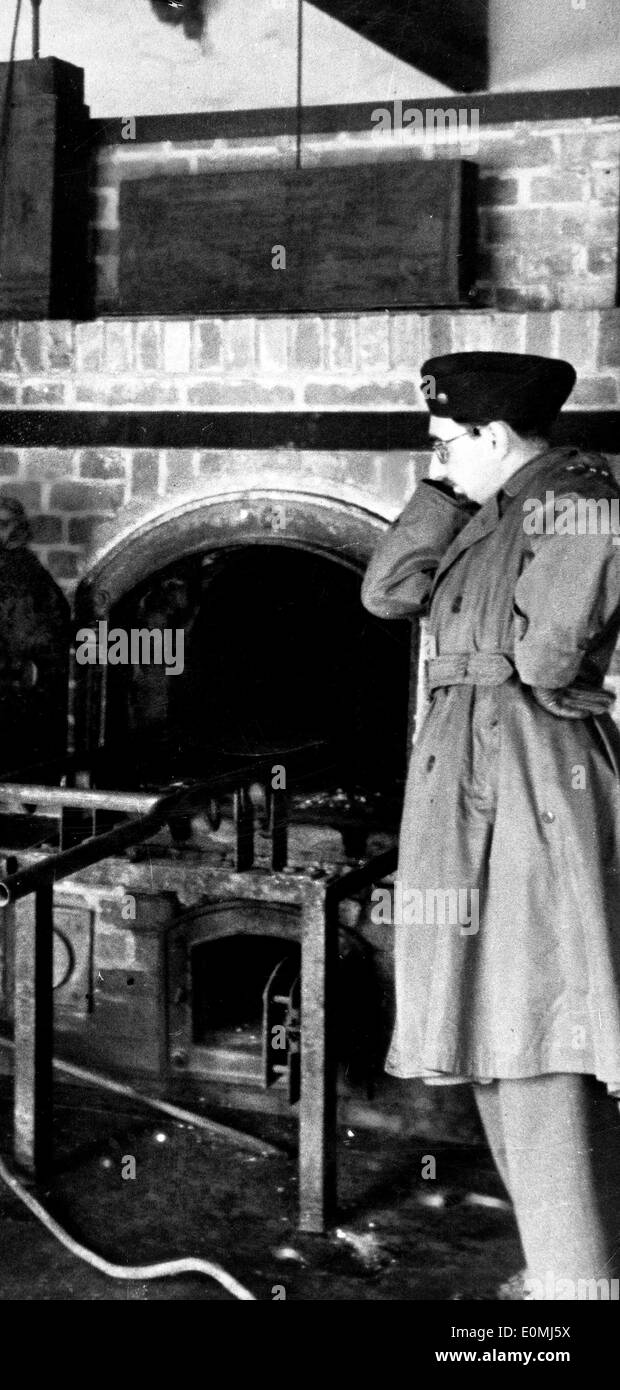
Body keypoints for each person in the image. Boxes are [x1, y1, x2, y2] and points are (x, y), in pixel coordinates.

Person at [362, 351, 620, 1299]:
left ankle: (578, 1286)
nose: (438, 464)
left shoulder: (579, 498)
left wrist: (493, 647)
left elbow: (550, 659)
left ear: (497, 436)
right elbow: (385, 591)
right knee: (489, 1028)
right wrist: (444, 490)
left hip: (530, 782)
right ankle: (564, 1269)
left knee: (538, 1030)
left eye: (446, 444)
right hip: (469, 777)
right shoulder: (497, 504)